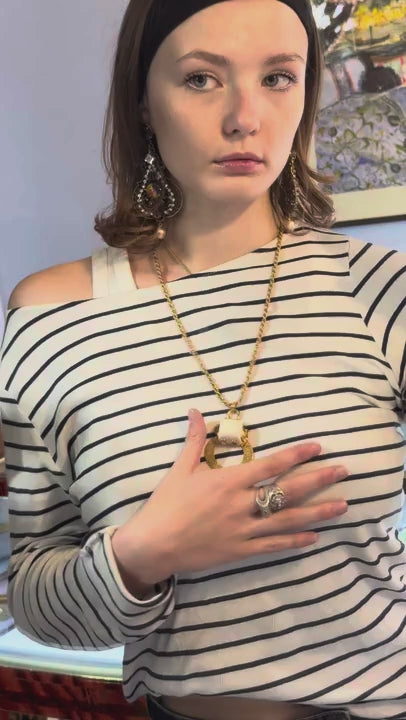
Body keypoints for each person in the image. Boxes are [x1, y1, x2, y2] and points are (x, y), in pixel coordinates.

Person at [0, 1, 405, 719]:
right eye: (201, 79)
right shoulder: (50, 316)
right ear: (144, 104)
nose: (245, 118)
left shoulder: (379, 287)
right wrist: (141, 554)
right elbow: (35, 598)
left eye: (278, 78)